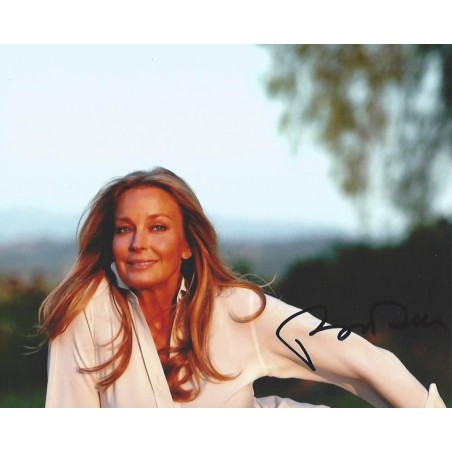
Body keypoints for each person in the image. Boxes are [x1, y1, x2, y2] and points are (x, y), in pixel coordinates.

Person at [39, 167, 446, 408]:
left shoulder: (235, 309)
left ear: (186, 245)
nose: (137, 243)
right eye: (124, 229)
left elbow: (359, 358)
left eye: (158, 227)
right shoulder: (84, 314)